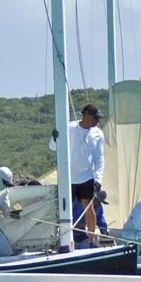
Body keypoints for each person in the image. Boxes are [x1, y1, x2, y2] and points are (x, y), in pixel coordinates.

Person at [53, 104, 108, 246]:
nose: (97, 122)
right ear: (87, 116)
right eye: (95, 118)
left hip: (86, 176)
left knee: (88, 206)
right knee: (64, 208)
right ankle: (62, 238)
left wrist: (98, 178)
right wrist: (55, 138)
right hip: (68, 177)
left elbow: (99, 158)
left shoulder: (98, 133)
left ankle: (91, 239)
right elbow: (53, 147)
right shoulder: (69, 127)